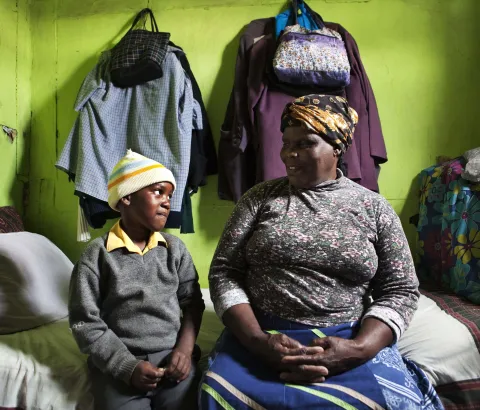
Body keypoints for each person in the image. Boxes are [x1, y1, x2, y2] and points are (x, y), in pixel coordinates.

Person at [201, 95, 444, 409]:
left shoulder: (373, 208)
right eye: (286, 142)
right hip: (262, 335)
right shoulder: (259, 199)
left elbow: (399, 289)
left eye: (305, 144)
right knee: (217, 397)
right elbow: (225, 272)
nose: (289, 153)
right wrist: (256, 342)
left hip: (347, 338)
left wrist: (358, 349)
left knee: (397, 403)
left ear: (337, 148)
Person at [69, 150, 205, 410]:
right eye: (157, 191)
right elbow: (85, 322)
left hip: (173, 360)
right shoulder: (97, 255)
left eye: (169, 195)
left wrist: (185, 352)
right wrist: (127, 367)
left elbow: (192, 303)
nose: (167, 202)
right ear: (127, 197)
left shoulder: (175, 250)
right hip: (121, 364)